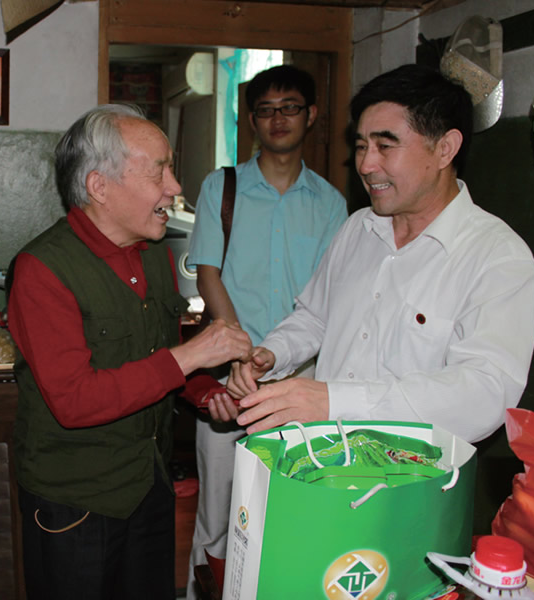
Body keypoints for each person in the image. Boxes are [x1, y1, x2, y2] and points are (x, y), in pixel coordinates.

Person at [7, 104, 253, 600]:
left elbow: (159, 354)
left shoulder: (153, 254)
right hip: (77, 501)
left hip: (149, 485)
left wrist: (206, 392)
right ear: (99, 186)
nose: (174, 187)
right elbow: (74, 402)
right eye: (158, 171)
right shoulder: (43, 270)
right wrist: (191, 357)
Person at [222, 64, 534, 447]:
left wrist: (335, 402)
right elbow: (316, 317)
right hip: (325, 458)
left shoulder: (496, 256)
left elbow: (484, 394)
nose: (366, 166)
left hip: (413, 475)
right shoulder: (359, 228)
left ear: (445, 148)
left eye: (385, 146)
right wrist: (274, 353)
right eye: (361, 146)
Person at [184, 64, 346, 599]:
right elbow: (208, 274)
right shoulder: (221, 187)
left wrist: (275, 356)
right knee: (218, 511)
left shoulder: (331, 204)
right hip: (229, 381)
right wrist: (238, 352)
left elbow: (328, 299)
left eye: (290, 107)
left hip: (301, 382)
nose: (279, 119)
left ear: (311, 115)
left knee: (290, 508)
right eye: (266, 110)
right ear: (251, 120)